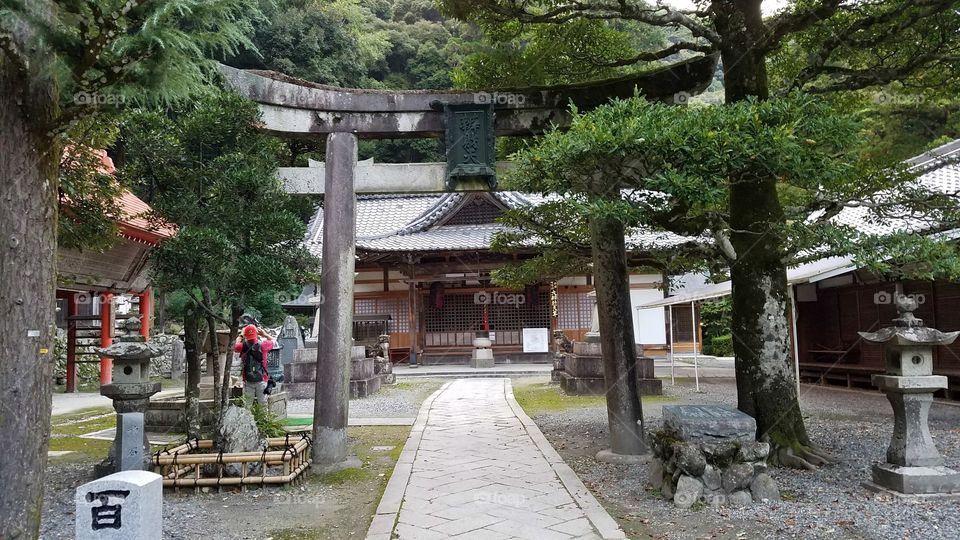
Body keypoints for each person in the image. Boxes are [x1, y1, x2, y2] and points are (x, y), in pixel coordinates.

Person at [234, 324, 274, 406]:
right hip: (262, 379)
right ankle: (263, 418)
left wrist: (241, 335)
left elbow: (234, 346)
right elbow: (274, 341)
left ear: (246, 335)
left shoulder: (242, 346)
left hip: (247, 380)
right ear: (256, 333)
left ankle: (247, 418)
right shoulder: (264, 345)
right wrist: (264, 334)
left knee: (247, 405)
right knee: (263, 404)